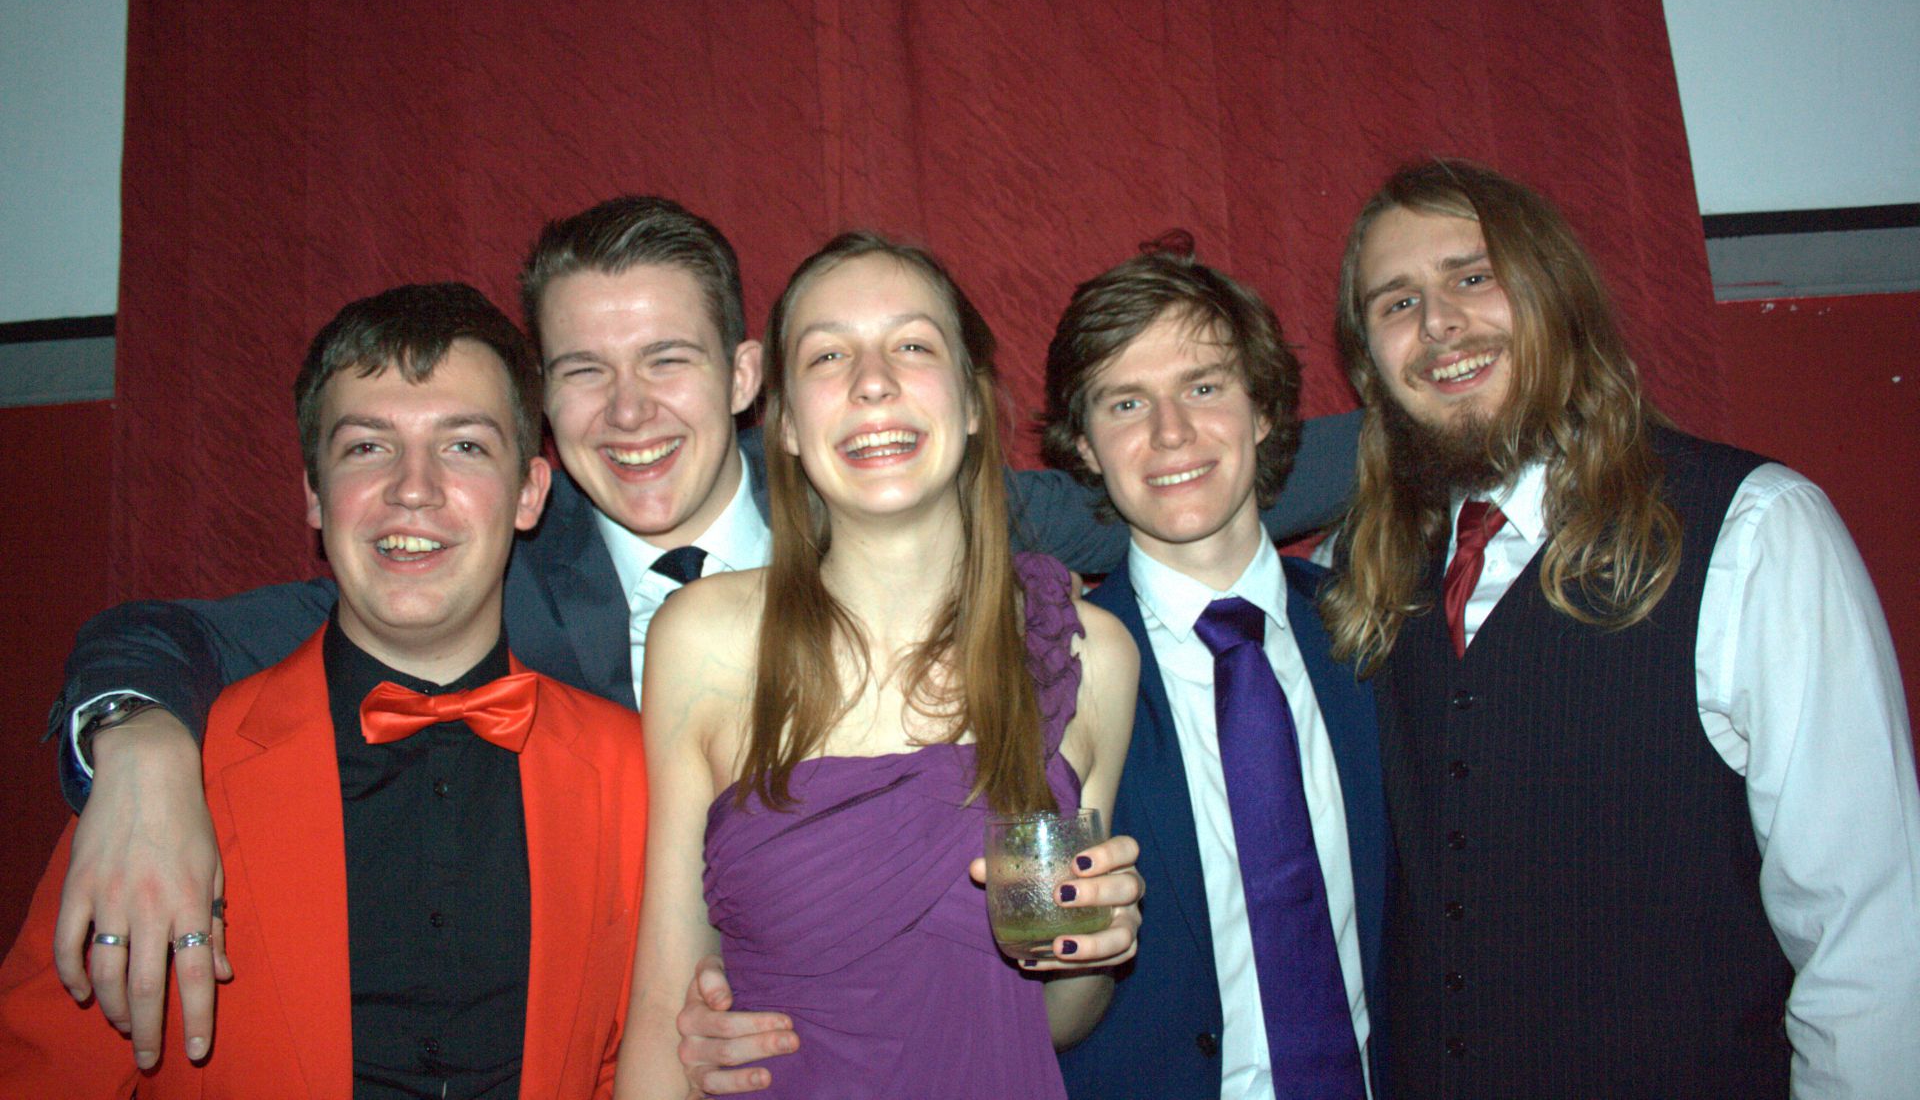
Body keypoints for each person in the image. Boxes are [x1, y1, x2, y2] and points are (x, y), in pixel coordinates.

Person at [46, 195, 1362, 1071]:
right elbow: (190, 634)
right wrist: (138, 747)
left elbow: (1174, 470)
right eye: (582, 372)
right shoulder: (485, 555)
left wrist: (1428, 435)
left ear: (743, 381)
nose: (629, 413)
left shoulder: (946, 509)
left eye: (667, 360)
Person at [1319, 158, 1920, 1098]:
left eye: (1473, 276)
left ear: (1556, 294)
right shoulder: (1361, 568)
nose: (1437, 324)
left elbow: (1869, 933)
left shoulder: (1754, 530)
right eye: (1396, 302)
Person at [0, 283, 650, 1096]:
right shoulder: (172, 775)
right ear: (313, 493)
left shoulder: (630, 770)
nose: (413, 487)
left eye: (464, 446)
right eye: (368, 447)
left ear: (530, 493)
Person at [617, 234, 1142, 1099]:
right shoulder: (702, 638)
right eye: (828, 355)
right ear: (786, 424)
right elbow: (663, 1008)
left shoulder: (1091, 653)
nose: (872, 382)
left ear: (972, 401)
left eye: (912, 345)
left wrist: (1094, 948)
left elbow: (1050, 1017)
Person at [1037, 242, 1387, 1100]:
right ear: (1084, 444)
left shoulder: (1383, 634)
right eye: (1127, 402)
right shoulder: (1044, 671)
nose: (1171, 432)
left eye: (1202, 387)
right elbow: (1026, 988)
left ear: (1262, 409)